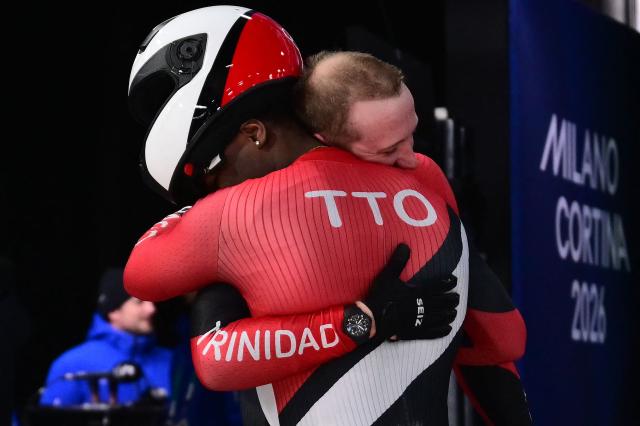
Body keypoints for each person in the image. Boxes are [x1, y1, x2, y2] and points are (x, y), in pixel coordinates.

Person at [125, 6, 528, 425]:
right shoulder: (424, 181)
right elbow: (501, 337)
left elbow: (196, 339)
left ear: (254, 133)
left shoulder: (233, 213)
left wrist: (359, 323)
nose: (213, 184)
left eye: (211, 169)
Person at [294, 50, 531, 425]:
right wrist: (369, 322)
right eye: (388, 150)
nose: (410, 157)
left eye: (412, 133)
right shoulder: (275, 198)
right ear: (325, 139)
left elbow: (498, 337)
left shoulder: (423, 175)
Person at [40, 268, 172, 406]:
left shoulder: (173, 360)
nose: (152, 309)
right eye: (139, 302)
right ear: (113, 311)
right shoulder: (73, 365)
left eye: (151, 301)